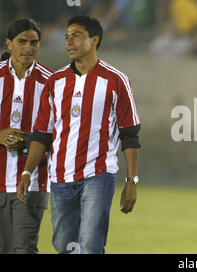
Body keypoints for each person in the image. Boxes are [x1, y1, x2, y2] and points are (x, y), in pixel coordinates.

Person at [17, 15, 141, 254]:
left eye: (76, 35)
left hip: (98, 175)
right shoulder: (55, 82)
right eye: (66, 37)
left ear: (94, 39)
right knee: (65, 247)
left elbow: (130, 135)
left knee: (91, 245)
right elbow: (42, 134)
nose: (69, 42)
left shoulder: (116, 81)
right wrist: (26, 171)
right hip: (61, 178)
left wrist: (131, 181)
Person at [0, 18, 54, 254]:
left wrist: (31, 140)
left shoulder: (53, 82)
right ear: (9, 43)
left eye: (34, 42)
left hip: (32, 181)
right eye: (22, 41)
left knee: (23, 249)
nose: (28, 48)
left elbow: (63, 132)